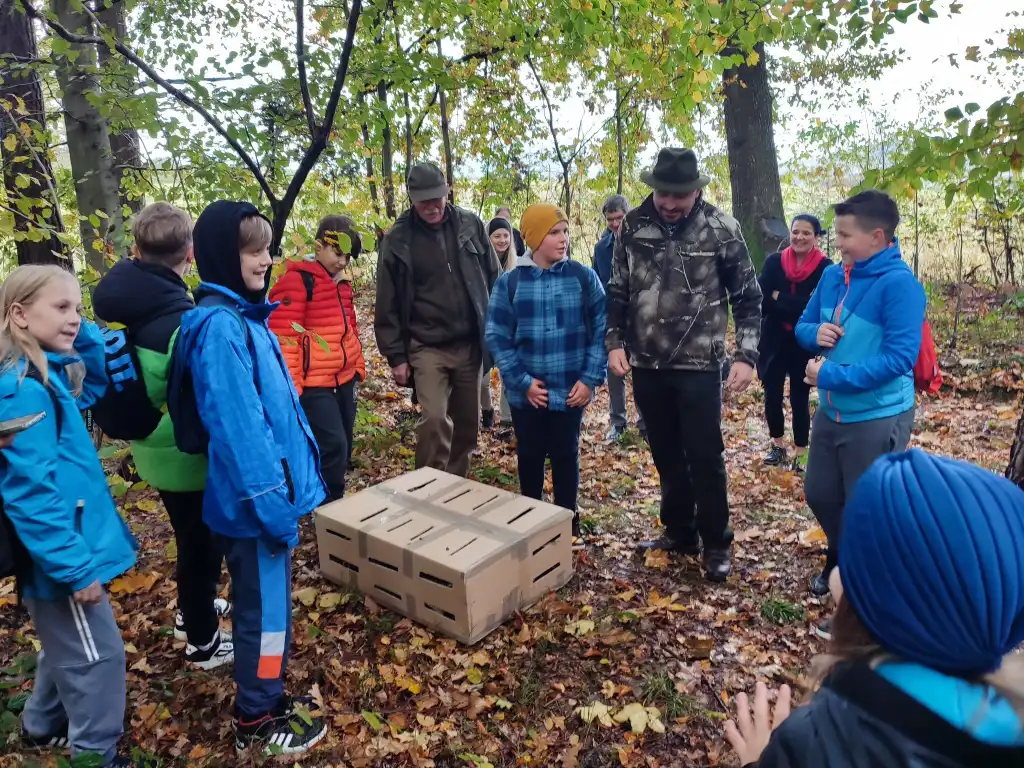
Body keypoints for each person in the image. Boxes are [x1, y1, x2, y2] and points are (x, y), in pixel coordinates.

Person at [725, 450, 1024, 767]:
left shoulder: (816, 742)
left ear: (880, 609)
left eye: (854, 566)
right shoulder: (1007, 727)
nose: (838, 574)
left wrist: (760, 760)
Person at [170, 201, 327, 755]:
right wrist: (273, 507)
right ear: (220, 256)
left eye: (266, 247)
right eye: (253, 250)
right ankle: (257, 717)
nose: (267, 259)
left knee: (271, 611)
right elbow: (241, 433)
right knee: (265, 617)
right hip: (255, 507)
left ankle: (268, 694)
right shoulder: (220, 330)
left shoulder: (246, 318)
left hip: (266, 502)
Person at [0, 265, 138, 767]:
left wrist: (87, 328)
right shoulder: (21, 390)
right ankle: (95, 756)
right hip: (60, 560)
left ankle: (40, 723)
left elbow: (94, 388)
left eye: (78, 308)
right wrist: (75, 568)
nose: (75, 319)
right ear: (19, 314)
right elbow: (31, 495)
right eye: (61, 308)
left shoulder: (48, 374)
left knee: (67, 646)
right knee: (97, 659)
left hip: (66, 549)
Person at [607, 147, 762, 582]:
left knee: (704, 455)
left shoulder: (721, 227)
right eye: (663, 195)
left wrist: (747, 356)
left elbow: (749, 298)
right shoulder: (633, 225)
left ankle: (716, 542)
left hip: (699, 365)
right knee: (665, 452)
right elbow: (617, 288)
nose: (671, 204)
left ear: (696, 190)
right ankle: (680, 530)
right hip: (646, 364)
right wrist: (614, 343)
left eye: (680, 195)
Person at [93, 202, 232, 670]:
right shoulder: (177, 320)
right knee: (200, 544)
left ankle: (192, 610)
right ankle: (202, 638)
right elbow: (197, 401)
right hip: (184, 454)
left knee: (190, 536)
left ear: (136, 249)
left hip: (152, 449)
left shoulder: (120, 301)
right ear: (189, 254)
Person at [796, 190, 924, 602]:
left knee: (865, 507)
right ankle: (843, 556)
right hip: (832, 411)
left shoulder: (900, 286)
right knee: (820, 493)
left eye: (845, 236)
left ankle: (860, 594)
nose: (838, 244)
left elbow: (901, 359)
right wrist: (813, 333)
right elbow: (802, 325)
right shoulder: (835, 276)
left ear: (877, 236)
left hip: (878, 414)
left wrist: (830, 373)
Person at [485, 204, 606, 536]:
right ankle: (532, 516)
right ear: (534, 238)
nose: (563, 239)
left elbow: (602, 331)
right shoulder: (511, 284)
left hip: (570, 390)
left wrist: (589, 379)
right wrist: (521, 383)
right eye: (554, 232)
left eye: (565, 231)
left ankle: (568, 518)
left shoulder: (584, 278)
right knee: (531, 453)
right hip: (529, 397)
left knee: (566, 453)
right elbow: (497, 335)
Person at [375, 162, 501, 477]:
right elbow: (387, 301)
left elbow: (495, 278)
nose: (432, 206)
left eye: (437, 198)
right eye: (423, 200)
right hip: (425, 345)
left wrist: (498, 330)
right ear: (411, 198)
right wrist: (396, 356)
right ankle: (428, 485)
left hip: (469, 343)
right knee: (433, 418)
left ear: (447, 192)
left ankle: (456, 485)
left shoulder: (470, 224)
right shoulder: (398, 240)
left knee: (468, 423)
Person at [268, 214, 366, 502]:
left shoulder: (343, 286)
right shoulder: (298, 282)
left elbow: (350, 330)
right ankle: (329, 509)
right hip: (313, 385)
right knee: (331, 444)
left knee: (343, 446)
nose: (343, 262)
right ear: (319, 245)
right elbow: (285, 338)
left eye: (348, 256)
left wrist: (357, 367)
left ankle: (330, 502)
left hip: (343, 381)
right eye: (338, 253)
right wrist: (293, 389)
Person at [756, 214, 829, 472]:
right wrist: (794, 305)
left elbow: (817, 309)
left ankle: (801, 452)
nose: (799, 237)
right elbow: (761, 301)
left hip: (804, 344)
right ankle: (777, 446)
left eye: (806, 233)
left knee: (800, 398)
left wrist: (780, 298)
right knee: (772, 396)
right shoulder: (774, 262)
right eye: (796, 231)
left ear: (816, 237)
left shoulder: (826, 268)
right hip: (773, 340)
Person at [592, 194, 645, 442]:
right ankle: (618, 423)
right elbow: (598, 282)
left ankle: (646, 423)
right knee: (615, 373)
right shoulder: (601, 249)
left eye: (619, 217)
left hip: (641, 317)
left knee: (642, 372)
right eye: (610, 219)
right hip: (613, 317)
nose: (615, 223)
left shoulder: (644, 241)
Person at [480, 217, 516, 433]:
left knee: (507, 373)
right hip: (484, 325)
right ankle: (486, 409)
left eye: (505, 235)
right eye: (497, 236)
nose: (502, 240)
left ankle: (506, 420)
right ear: (488, 238)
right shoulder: (479, 263)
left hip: (508, 328)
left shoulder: (516, 265)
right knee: (482, 379)